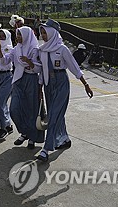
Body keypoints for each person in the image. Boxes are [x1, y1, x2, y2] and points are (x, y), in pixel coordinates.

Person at [36, 19, 93, 162]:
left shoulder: (62, 49)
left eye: (45, 32)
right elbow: (43, 70)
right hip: (49, 85)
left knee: (53, 115)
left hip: (61, 83)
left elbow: (74, 67)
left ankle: (46, 148)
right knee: (57, 115)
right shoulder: (42, 50)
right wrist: (40, 86)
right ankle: (64, 139)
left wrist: (85, 84)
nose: (43, 35)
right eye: (41, 32)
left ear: (53, 33)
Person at [0, 26, 43, 148]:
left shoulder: (34, 49)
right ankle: (24, 132)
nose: (18, 37)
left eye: (20, 35)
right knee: (14, 109)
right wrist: (0, 52)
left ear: (27, 36)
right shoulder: (16, 49)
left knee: (31, 110)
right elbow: (6, 61)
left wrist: (30, 63)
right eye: (17, 35)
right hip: (18, 80)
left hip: (31, 80)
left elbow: (39, 68)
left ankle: (32, 137)